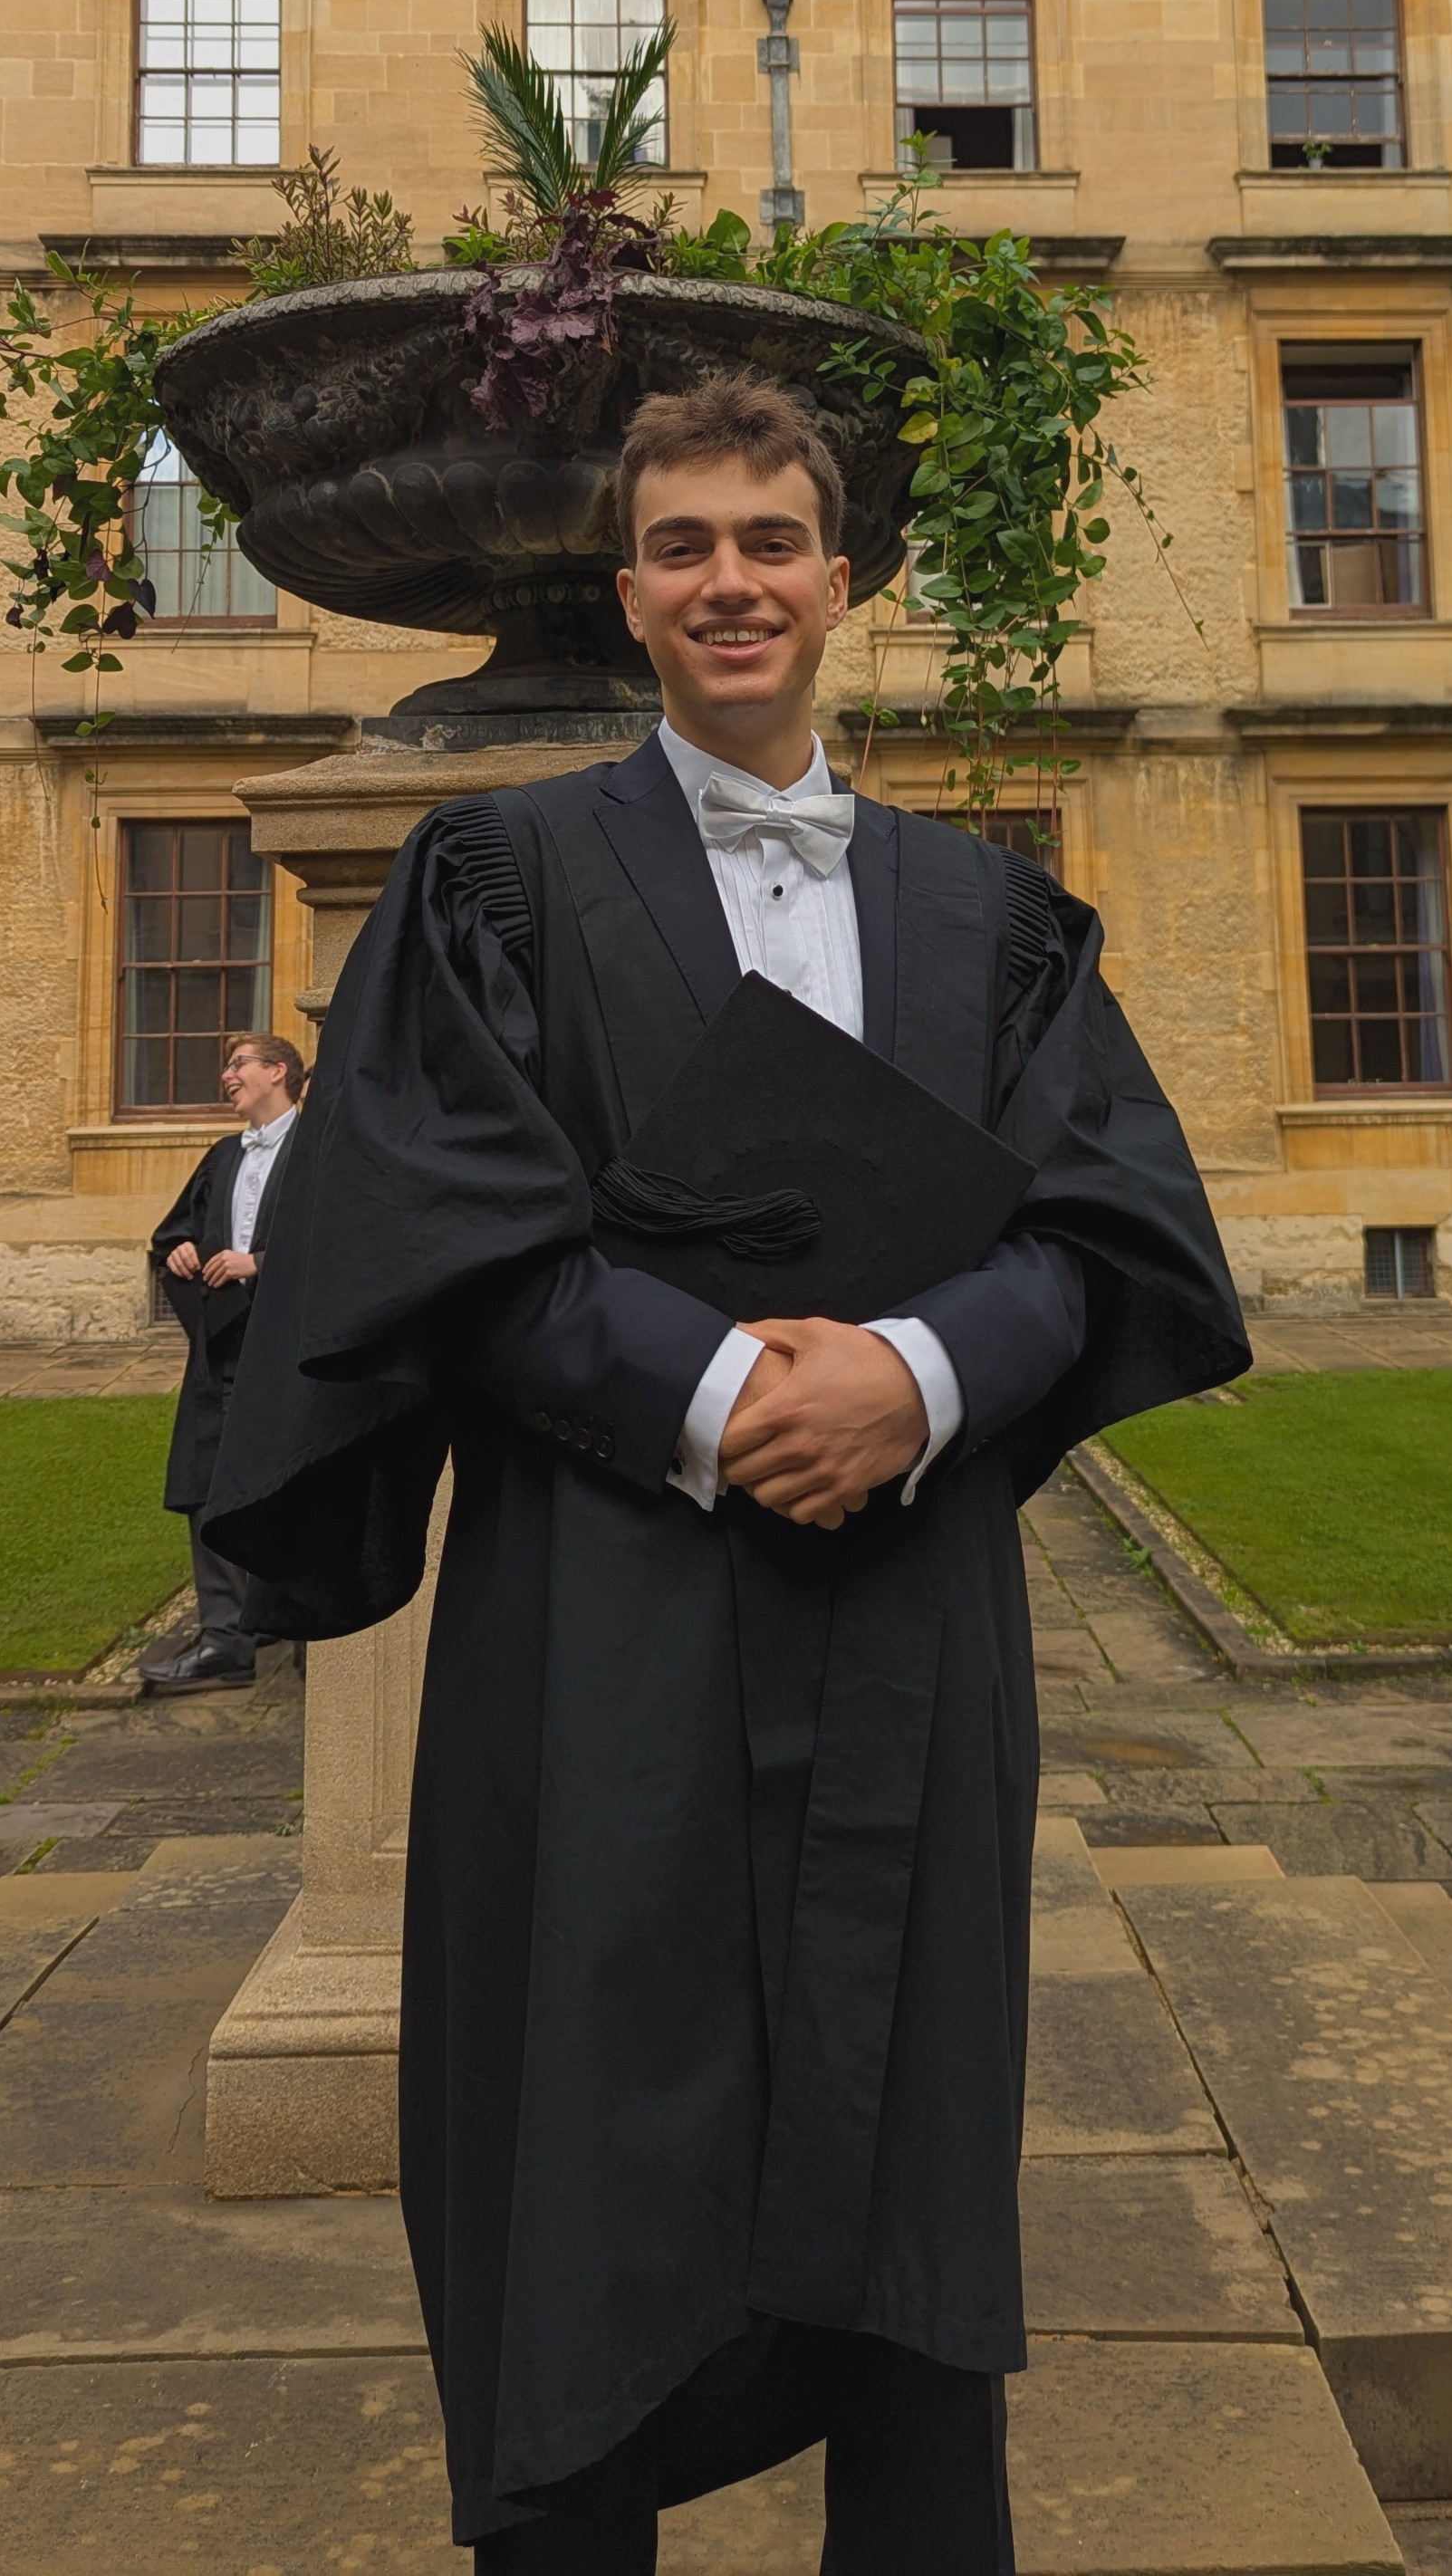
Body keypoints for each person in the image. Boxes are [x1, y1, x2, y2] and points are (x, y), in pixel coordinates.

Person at [206, 374, 1248, 2571]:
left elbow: (1106, 1229)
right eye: (680, 546)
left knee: (908, 2108)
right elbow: (429, 1223)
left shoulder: (988, 910)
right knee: (586, 2104)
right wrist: (711, 1399)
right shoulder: (498, 872)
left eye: (767, 539)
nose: (727, 580)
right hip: (606, 1588)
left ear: (840, 576)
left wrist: (916, 1369)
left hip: (907, 1592)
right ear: (628, 592)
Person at [142, 1029, 304, 1694]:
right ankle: (224, 1639)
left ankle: (287, 1623)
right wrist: (180, 1249)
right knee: (206, 1485)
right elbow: (175, 1231)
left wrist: (258, 1264)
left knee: (285, 1487)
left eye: (239, 1065)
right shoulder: (221, 1156)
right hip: (223, 1350)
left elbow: (338, 1243)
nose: (228, 1076)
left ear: (277, 1071)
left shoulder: (315, 1152)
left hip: (288, 1350)